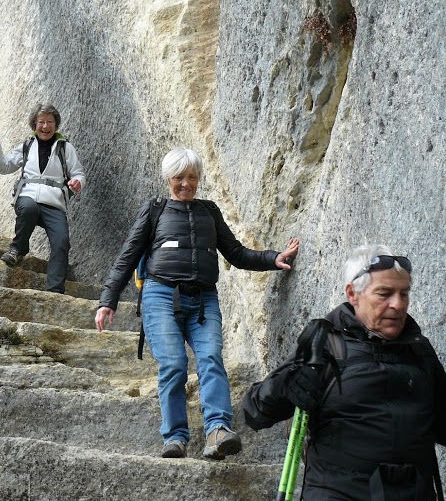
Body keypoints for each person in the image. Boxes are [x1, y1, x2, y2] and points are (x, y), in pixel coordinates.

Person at [95, 147, 299, 460]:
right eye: (179, 177)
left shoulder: (209, 211)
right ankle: (175, 437)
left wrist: (274, 258)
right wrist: (107, 301)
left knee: (211, 359)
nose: (186, 183)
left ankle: (218, 430)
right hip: (161, 295)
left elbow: (237, 253)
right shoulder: (155, 209)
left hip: (203, 299)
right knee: (175, 363)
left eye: (192, 177)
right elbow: (128, 256)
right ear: (168, 179)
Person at [242, 245, 446, 500]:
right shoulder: (327, 344)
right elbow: (254, 411)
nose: (397, 304)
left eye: (404, 294)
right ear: (353, 293)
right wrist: (288, 384)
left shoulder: (418, 350)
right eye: (384, 293)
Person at [0, 103, 85, 293]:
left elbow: (78, 173)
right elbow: (5, 166)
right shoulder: (27, 145)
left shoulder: (65, 148)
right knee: (28, 208)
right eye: (41, 122)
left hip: (54, 202)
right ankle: (18, 249)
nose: (45, 126)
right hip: (28, 196)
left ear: (56, 125)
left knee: (62, 241)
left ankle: (55, 289)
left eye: (50, 122)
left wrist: (77, 182)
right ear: (34, 124)